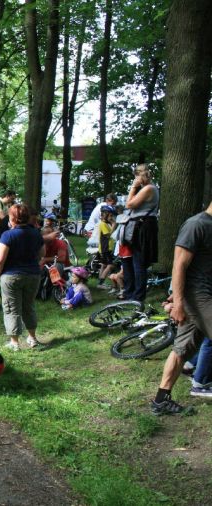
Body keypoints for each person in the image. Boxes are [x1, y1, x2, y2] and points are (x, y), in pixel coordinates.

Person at [150, 201, 212, 415]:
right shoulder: (196, 224)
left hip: (203, 296)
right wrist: (177, 302)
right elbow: (179, 265)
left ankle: (161, 400)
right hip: (198, 297)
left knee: (181, 350)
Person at [0, 204, 44, 351]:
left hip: (11, 276)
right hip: (33, 275)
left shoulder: (7, 235)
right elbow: (42, 253)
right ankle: (32, 338)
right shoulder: (36, 233)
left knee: (12, 308)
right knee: (29, 306)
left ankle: (14, 342)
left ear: (13, 218)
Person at [122, 165, 159, 302]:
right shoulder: (149, 188)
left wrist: (133, 187)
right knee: (135, 262)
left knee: (139, 263)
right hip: (141, 226)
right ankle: (133, 293)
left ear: (140, 176)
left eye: (136, 177)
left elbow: (129, 204)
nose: (135, 179)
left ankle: (138, 297)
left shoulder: (149, 189)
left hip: (143, 227)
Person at [96, 205, 117, 288]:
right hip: (106, 249)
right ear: (105, 214)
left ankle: (100, 283)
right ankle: (101, 283)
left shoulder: (105, 224)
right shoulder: (103, 224)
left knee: (103, 265)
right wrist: (114, 225)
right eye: (110, 215)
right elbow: (108, 235)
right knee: (110, 265)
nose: (111, 218)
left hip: (105, 249)